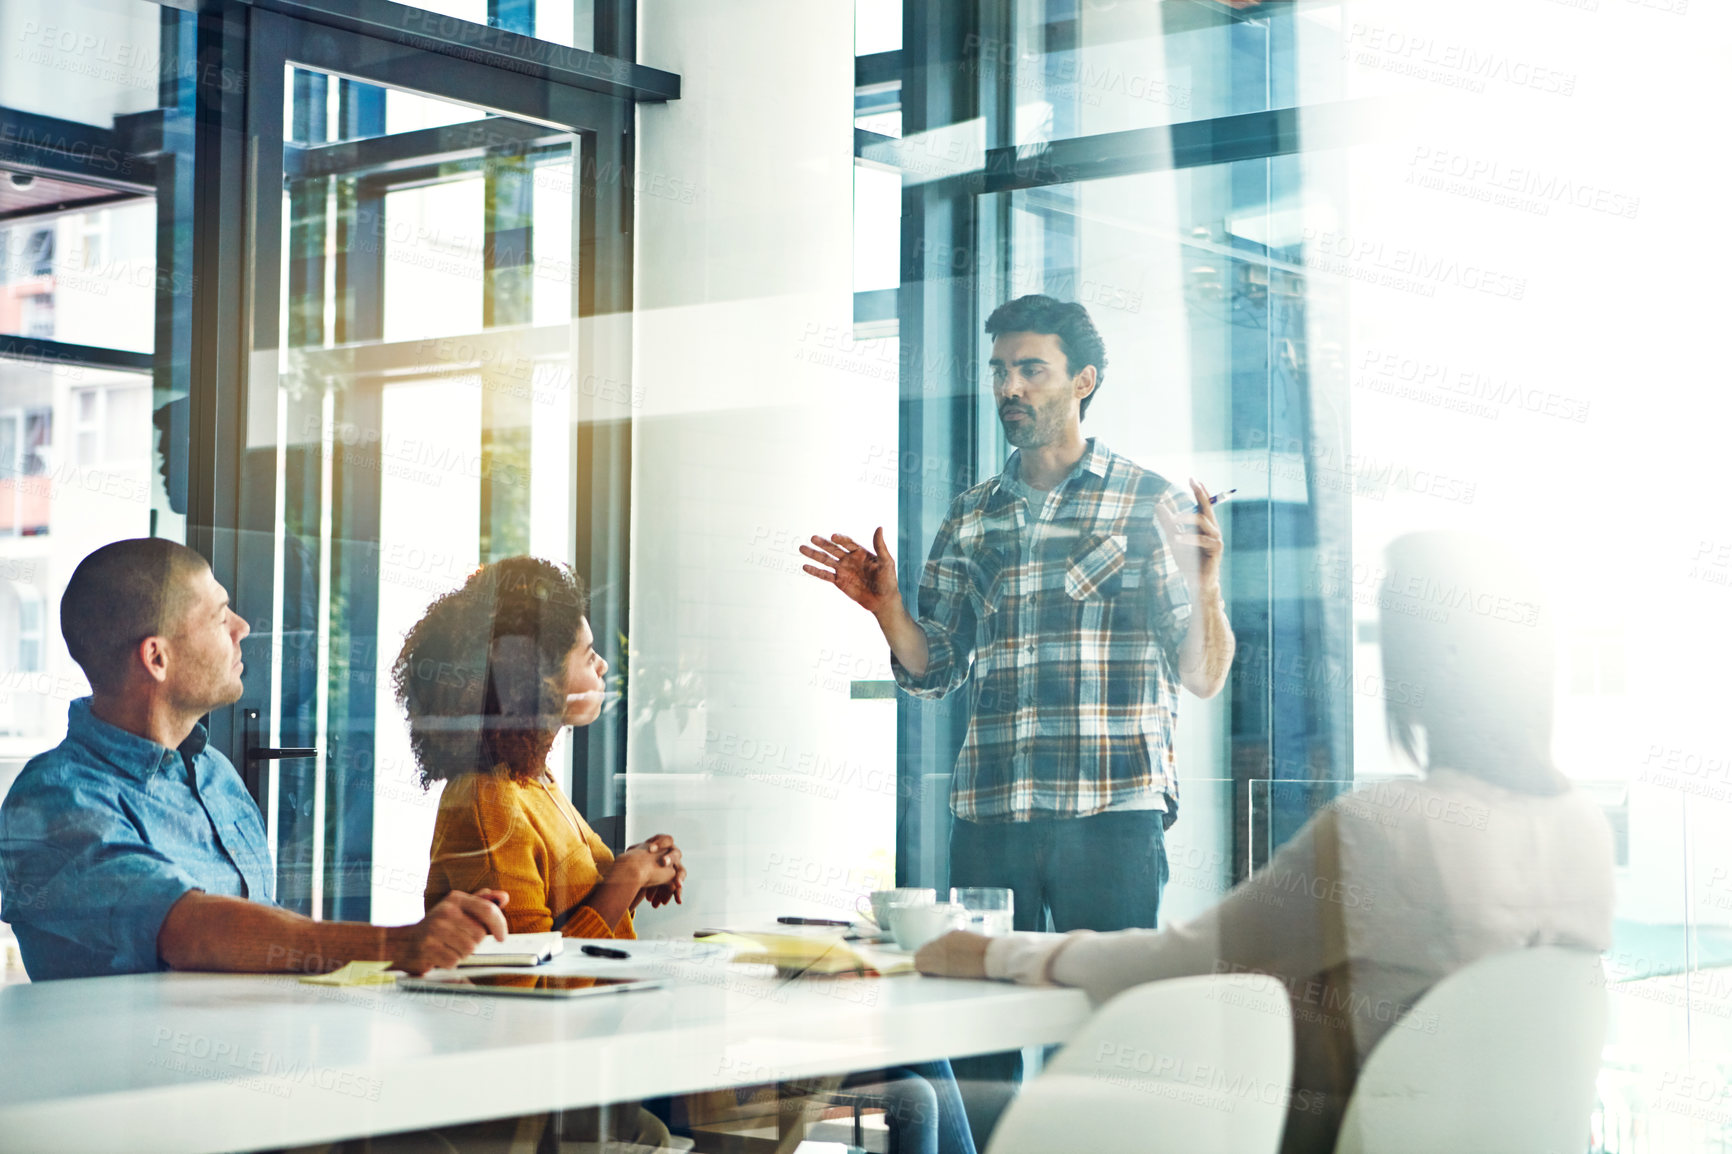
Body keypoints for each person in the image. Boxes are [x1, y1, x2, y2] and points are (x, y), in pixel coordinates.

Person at [915, 532, 1616, 1154]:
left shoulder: (1392, 828)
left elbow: (1189, 959)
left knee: (942, 1103)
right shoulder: (1583, 829)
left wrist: (995, 951)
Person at [802, 293, 1235, 937]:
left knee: (1098, 1023)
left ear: (1083, 381)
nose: (1010, 386)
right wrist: (886, 609)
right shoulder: (971, 514)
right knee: (976, 1022)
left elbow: (1202, 677)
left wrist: (1205, 586)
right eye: (1000, 370)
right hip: (990, 819)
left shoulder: (1151, 503)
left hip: (1111, 817)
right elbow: (934, 669)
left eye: (1031, 369)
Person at [0, 539, 510, 983]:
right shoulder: (53, 801)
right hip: (128, 1086)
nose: (243, 627)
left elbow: (260, 931)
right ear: (157, 658)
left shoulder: (213, 773)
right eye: (220, 618)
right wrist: (393, 947)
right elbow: (187, 928)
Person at [401, 556, 686, 939]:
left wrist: (639, 871)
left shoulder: (534, 781)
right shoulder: (490, 803)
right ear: (535, 681)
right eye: (588, 655)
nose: (602, 666)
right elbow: (528, 974)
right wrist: (628, 875)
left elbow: (570, 919)